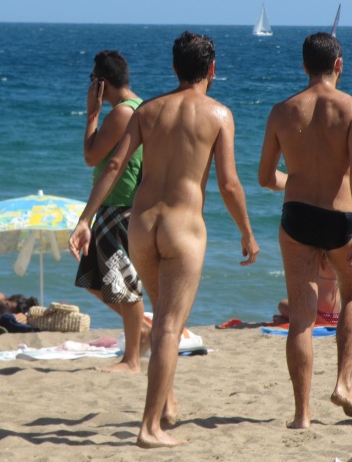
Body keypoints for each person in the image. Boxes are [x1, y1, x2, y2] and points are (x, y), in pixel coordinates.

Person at [69, 31, 259, 448]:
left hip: (141, 226)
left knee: (162, 324)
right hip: (182, 228)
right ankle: (149, 428)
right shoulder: (219, 114)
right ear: (212, 69)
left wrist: (85, 219)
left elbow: (113, 165)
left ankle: (167, 404)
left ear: (174, 68)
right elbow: (229, 183)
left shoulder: (147, 110)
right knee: (171, 327)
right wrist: (246, 231)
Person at [258, 32, 352, 429]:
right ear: (338, 65)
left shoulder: (281, 111)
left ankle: (302, 415)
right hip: (341, 218)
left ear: (304, 66)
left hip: (297, 217)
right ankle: (343, 384)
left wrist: (293, 180)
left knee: (302, 317)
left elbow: (265, 177)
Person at [74, 50, 149, 373]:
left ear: (101, 83)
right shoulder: (140, 105)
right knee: (94, 280)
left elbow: (92, 156)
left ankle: (132, 359)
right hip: (117, 205)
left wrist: (92, 114)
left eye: (92, 80)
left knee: (123, 286)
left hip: (118, 206)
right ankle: (140, 329)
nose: (90, 86)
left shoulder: (122, 113)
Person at [274, 253, 352, 325]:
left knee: (282, 305)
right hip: (348, 314)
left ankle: (290, 320)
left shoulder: (319, 247)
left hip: (319, 315)